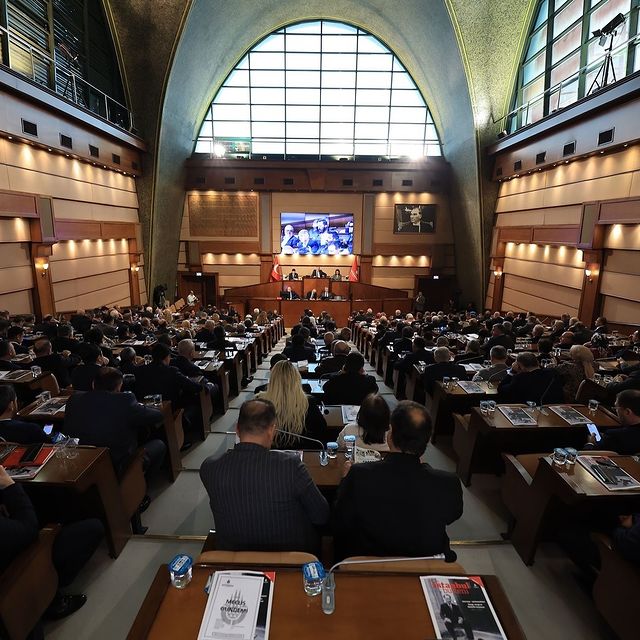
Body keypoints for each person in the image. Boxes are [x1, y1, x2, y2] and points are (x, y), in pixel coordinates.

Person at [333, 401, 462, 559]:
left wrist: (345, 479)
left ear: (390, 435)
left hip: (367, 560)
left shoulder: (358, 474)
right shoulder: (448, 483)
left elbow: (340, 516)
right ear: (427, 440)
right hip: (425, 562)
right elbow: (452, 515)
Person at [199, 398, 329, 552]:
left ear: (237, 430)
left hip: (233, 551)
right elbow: (322, 516)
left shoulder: (209, 467)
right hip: (290, 554)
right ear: (272, 430)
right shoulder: (291, 465)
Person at [0, 465, 104, 624]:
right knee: (93, 528)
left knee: (51, 499)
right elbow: (29, 530)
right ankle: (50, 597)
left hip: (13, 539)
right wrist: (9, 484)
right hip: (17, 571)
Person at [65, 367, 166, 478]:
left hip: (79, 463)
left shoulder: (74, 399)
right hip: (116, 466)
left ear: (93, 384)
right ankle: (139, 487)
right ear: (119, 386)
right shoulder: (125, 400)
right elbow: (158, 415)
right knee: (159, 445)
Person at [256, 360, 326, 447]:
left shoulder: (259, 401)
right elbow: (321, 429)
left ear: (273, 378)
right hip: (301, 450)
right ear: (296, 378)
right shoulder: (308, 402)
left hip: (269, 450)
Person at [584, 390, 640, 455]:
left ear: (627, 412)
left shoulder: (615, 435)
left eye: (616, 408)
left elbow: (588, 454)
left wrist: (590, 443)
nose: (616, 411)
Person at [497, 351, 564, 405]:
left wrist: (512, 372)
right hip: (552, 407)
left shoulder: (520, 378)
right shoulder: (553, 372)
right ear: (537, 362)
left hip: (530, 409)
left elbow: (501, 389)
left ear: (520, 366)